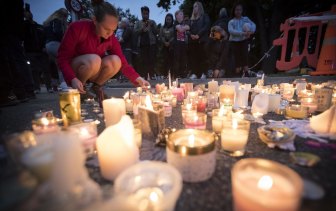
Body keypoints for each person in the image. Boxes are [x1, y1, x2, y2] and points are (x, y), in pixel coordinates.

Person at [57, 0, 149, 103]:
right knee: (94, 60)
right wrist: (72, 78)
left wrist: (137, 78)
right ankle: (80, 90)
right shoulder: (77, 28)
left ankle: (96, 88)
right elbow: (62, 58)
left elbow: (123, 63)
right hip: (76, 69)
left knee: (116, 60)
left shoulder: (110, 37)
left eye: (113, 30)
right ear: (95, 20)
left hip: (93, 69)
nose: (110, 34)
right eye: (106, 29)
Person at [23, 9, 53, 93]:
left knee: (46, 69)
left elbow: (45, 37)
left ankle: (49, 87)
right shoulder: (25, 25)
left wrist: (44, 46)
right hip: (30, 51)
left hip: (42, 51)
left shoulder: (39, 27)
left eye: (27, 13)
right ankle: (36, 88)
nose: (27, 14)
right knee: (34, 70)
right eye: (25, 14)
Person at [43, 8, 69, 91]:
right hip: (56, 43)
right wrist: (64, 41)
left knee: (57, 65)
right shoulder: (58, 20)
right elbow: (58, 32)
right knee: (65, 62)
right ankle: (64, 83)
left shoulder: (48, 22)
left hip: (48, 45)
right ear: (62, 15)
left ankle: (57, 84)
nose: (66, 17)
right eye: (65, 15)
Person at [228, 3, 256, 77]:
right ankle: (237, 72)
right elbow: (231, 31)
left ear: (242, 11)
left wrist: (250, 31)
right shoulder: (231, 21)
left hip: (243, 41)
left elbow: (253, 25)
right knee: (236, 56)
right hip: (234, 41)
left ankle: (246, 72)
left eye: (240, 10)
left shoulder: (245, 19)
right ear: (234, 11)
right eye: (237, 10)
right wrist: (242, 33)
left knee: (245, 55)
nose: (238, 11)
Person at [133, 6, 158, 79]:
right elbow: (135, 32)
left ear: (149, 13)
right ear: (141, 13)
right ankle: (144, 76)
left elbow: (156, 32)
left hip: (151, 44)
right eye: (144, 13)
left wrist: (152, 25)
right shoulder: (138, 23)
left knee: (152, 59)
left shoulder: (152, 22)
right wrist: (142, 29)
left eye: (147, 13)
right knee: (143, 60)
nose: (145, 15)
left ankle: (152, 75)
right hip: (142, 44)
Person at [188, 1, 210, 79]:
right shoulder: (191, 20)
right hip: (193, 42)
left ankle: (204, 73)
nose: (194, 8)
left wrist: (198, 35)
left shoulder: (204, 16)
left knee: (203, 57)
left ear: (200, 7)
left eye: (196, 6)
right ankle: (195, 73)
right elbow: (188, 29)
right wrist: (191, 35)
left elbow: (206, 26)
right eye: (193, 7)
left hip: (202, 40)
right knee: (194, 58)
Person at [172, 10, 189, 79]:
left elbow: (188, 27)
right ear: (176, 16)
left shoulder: (184, 23)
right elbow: (180, 30)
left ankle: (183, 74)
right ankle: (176, 75)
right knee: (177, 59)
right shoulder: (175, 23)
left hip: (183, 44)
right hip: (177, 44)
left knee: (183, 59)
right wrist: (184, 28)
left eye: (182, 14)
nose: (182, 15)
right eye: (181, 14)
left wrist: (183, 27)